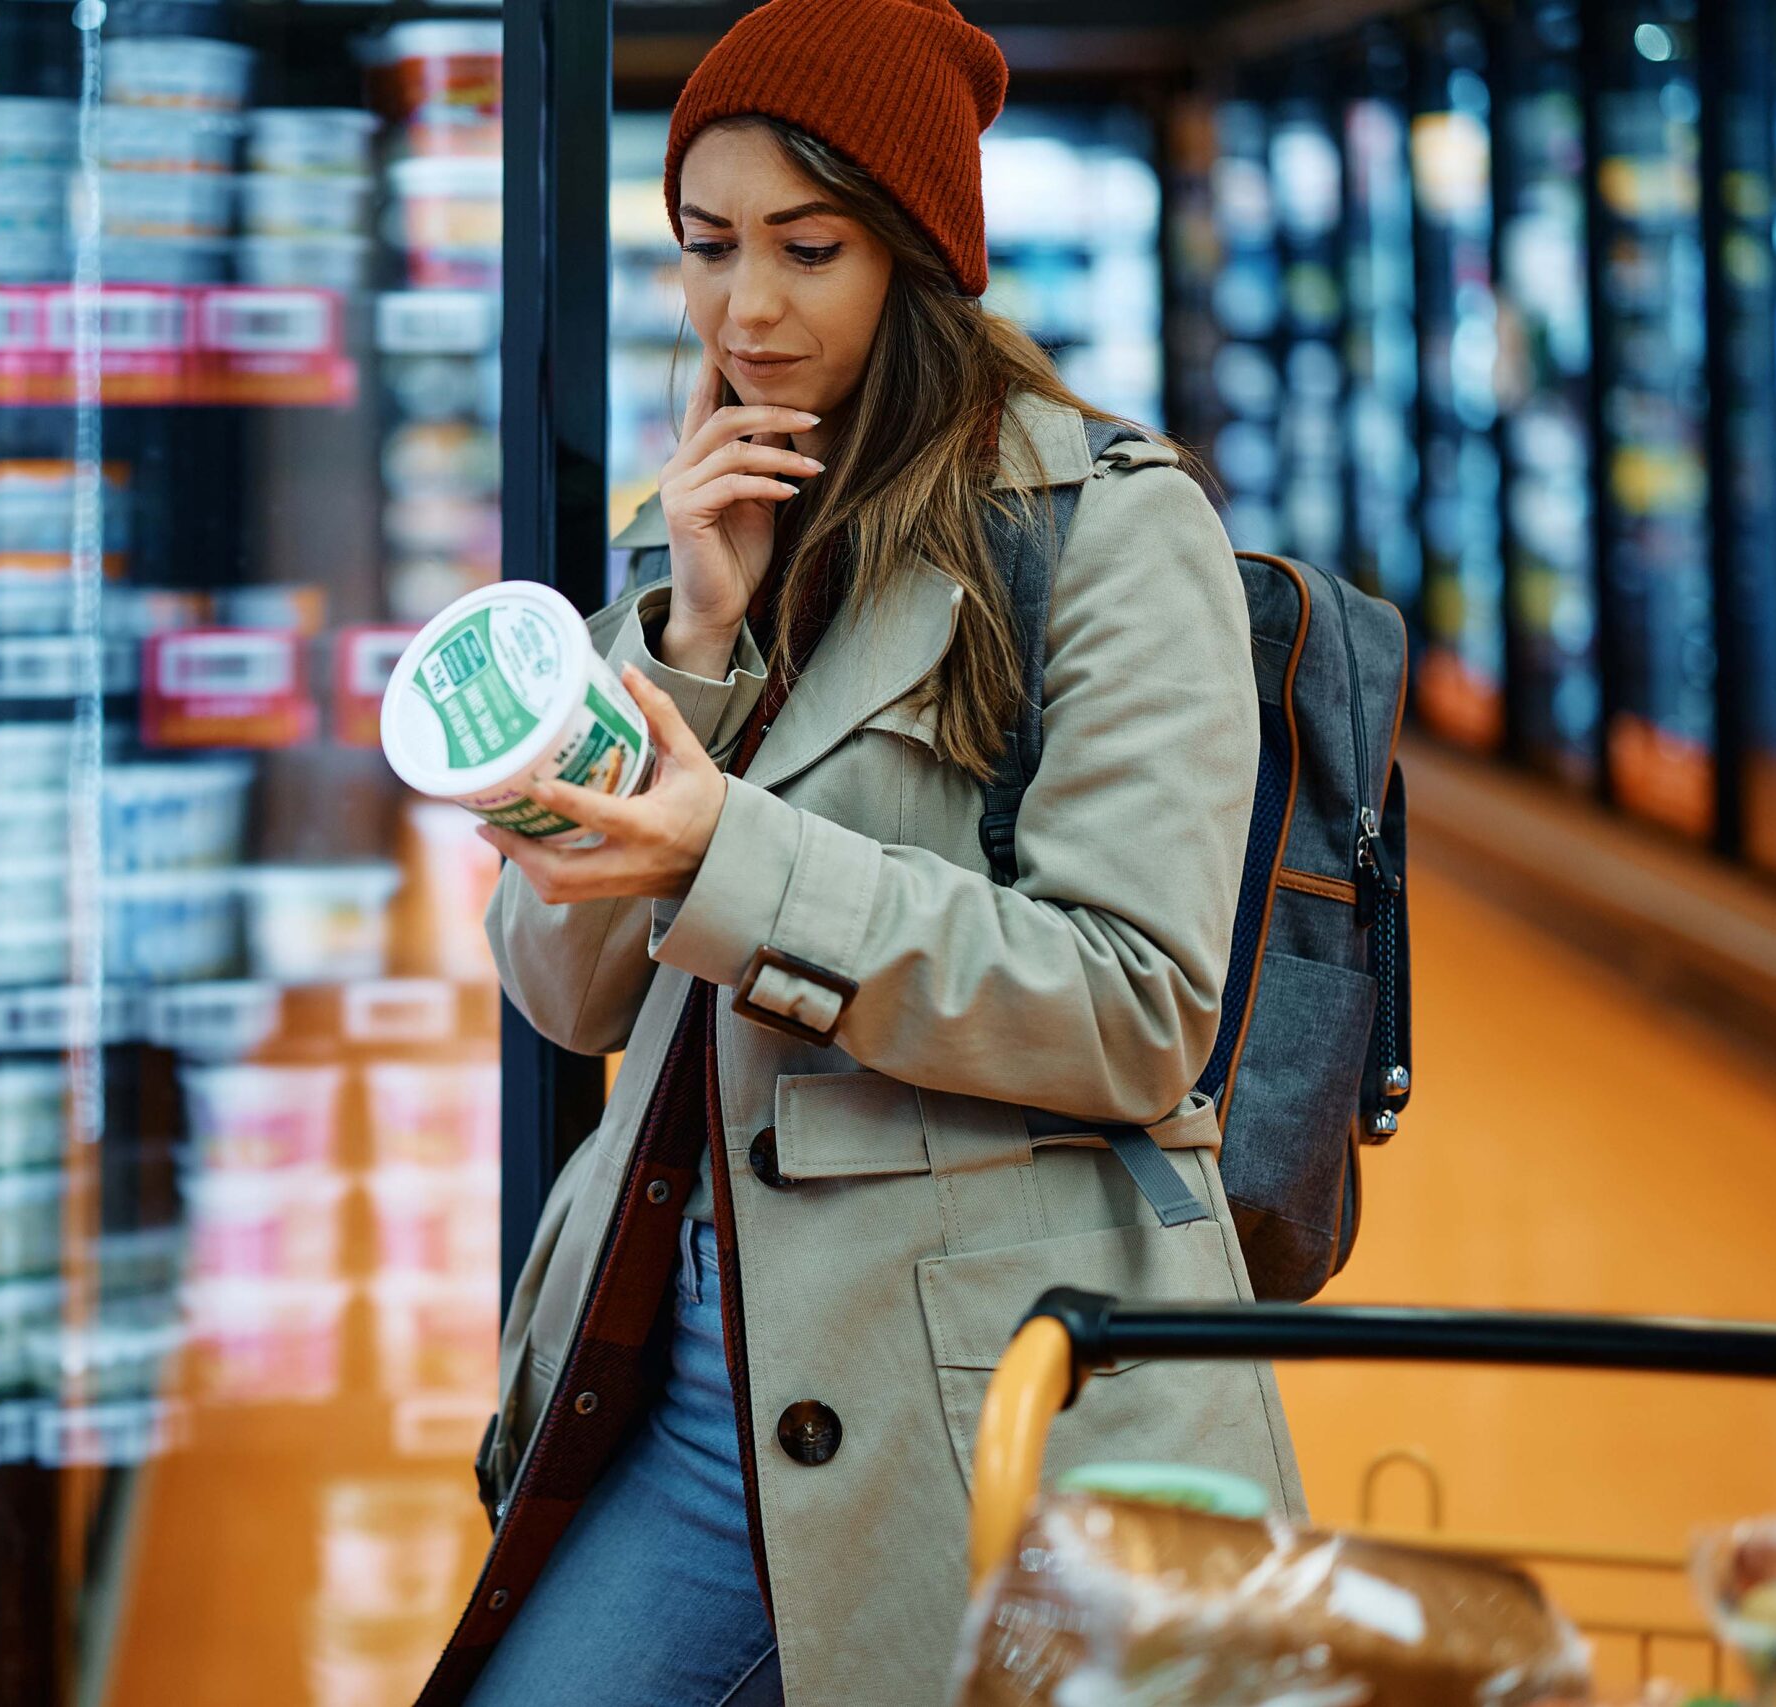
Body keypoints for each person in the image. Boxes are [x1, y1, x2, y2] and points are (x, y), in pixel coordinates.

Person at [419, 2, 1301, 1702]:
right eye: (705, 247)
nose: (743, 309)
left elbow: (1137, 1008)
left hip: (976, 1399)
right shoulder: (701, 540)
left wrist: (728, 853)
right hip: (677, 1376)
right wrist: (686, 635)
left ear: (915, 251)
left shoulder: (1109, 530)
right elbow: (564, 993)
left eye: (806, 249)